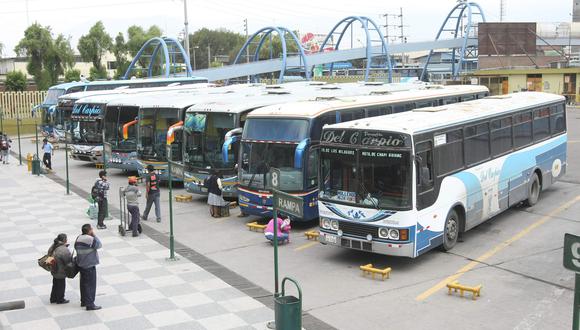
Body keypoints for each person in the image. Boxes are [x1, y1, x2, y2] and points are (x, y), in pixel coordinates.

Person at [74, 224, 102, 311]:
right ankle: (90, 304)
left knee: (83, 284)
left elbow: (75, 247)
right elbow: (99, 245)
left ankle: (84, 301)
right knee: (90, 285)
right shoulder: (90, 239)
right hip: (89, 265)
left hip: (81, 264)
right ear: (89, 230)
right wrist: (94, 235)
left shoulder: (79, 237)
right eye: (91, 229)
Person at [47, 233, 72, 304]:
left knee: (55, 284)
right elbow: (68, 260)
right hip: (60, 270)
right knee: (61, 285)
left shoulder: (53, 245)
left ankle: (53, 298)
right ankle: (60, 299)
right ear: (65, 240)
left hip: (53, 268)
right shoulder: (63, 249)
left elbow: (49, 254)